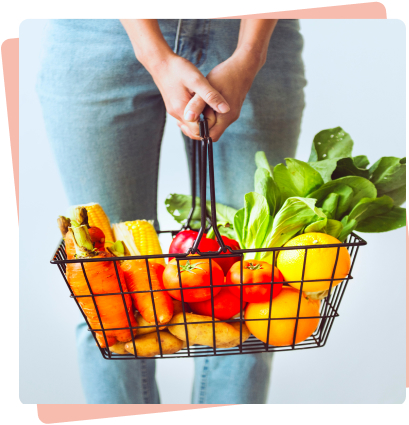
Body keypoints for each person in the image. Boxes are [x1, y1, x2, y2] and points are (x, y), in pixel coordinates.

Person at [37, 18, 306, 404]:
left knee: (254, 296)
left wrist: (250, 53)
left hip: (249, 29)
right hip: (98, 32)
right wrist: (153, 54)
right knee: (104, 297)